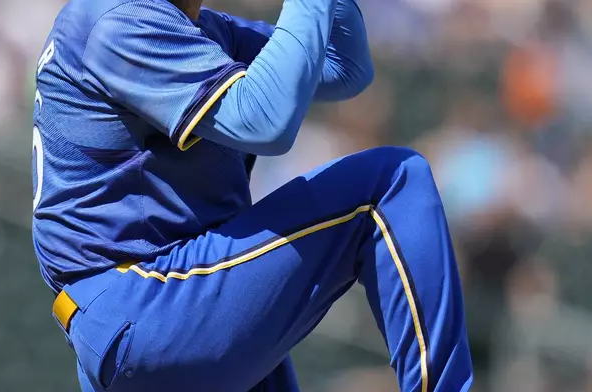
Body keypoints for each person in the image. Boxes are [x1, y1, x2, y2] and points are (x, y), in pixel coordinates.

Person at [31, 0, 473, 390]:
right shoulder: (120, 16)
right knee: (392, 181)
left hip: (158, 312)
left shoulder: (192, 24)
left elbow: (345, 67)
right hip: (150, 302)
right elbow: (264, 122)